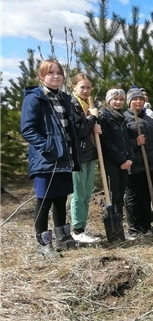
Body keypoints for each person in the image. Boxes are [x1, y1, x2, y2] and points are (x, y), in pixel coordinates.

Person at [21, 60, 81, 257]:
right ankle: (44, 243)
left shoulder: (64, 98)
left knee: (60, 199)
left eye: (59, 73)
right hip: (46, 159)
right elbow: (28, 130)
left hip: (64, 158)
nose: (55, 76)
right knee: (44, 200)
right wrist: (48, 147)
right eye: (50, 73)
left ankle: (63, 238)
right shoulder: (35, 98)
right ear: (41, 76)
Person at [124, 88, 153, 237]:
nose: (138, 102)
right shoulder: (124, 119)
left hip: (150, 165)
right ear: (129, 102)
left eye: (141, 99)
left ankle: (145, 226)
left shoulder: (149, 120)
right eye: (135, 99)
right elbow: (121, 142)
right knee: (133, 197)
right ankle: (134, 228)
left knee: (147, 196)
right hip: (133, 165)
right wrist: (134, 142)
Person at [69, 73, 101, 243]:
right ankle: (77, 229)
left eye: (88, 87)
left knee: (87, 193)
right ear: (73, 87)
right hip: (77, 156)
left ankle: (82, 227)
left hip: (90, 154)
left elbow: (91, 128)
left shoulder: (88, 104)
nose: (86, 90)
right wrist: (92, 117)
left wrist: (97, 125)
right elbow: (80, 131)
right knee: (78, 193)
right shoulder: (72, 105)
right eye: (82, 87)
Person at [100, 88, 134, 239]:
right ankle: (114, 230)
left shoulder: (123, 118)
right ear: (109, 101)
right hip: (112, 163)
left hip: (125, 163)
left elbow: (127, 142)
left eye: (121, 99)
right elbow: (106, 143)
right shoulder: (105, 118)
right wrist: (121, 160)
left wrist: (130, 158)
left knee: (121, 196)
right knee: (114, 196)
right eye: (115, 99)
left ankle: (120, 229)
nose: (118, 102)